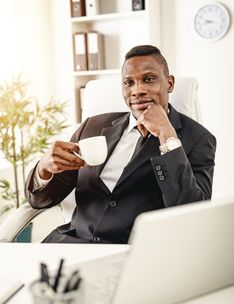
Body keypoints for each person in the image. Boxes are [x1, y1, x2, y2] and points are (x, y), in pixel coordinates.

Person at [25, 45, 216, 244]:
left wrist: (166, 135)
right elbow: (39, 200)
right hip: (71, 244)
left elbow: (192, 214)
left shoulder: (198, 139)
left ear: (169, 83)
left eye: (149, 79)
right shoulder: (92, 126)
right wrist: (44, 170)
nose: (137, 91)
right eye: (128, 83)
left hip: (135, 254)